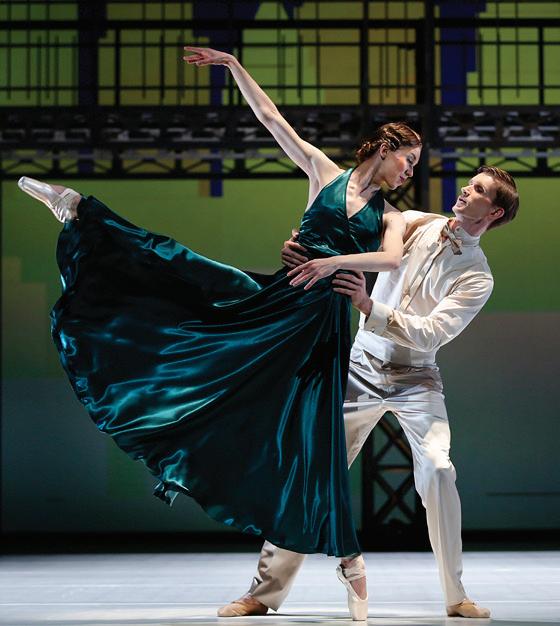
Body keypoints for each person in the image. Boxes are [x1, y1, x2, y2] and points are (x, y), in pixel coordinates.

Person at [17, 45, 422, 615]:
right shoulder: (324, 174)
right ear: (385, 148)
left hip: (320, 328)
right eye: (408, 158)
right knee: (194, 275)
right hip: (280, 302)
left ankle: (348, 563)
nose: (410, 170)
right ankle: (82, 211)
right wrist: (234, 66)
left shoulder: (392, 215)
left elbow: (391, 259)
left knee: (313, 442)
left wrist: (331, 263)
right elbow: (272, 120)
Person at [217, 165, 519, 620]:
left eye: (477, 189)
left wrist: (366, 304)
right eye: (469, 182)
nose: (465, 189)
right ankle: (262, 593)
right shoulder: (414, 222)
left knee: (439, 470)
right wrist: (303, 248)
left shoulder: (478, 276)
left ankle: (456, 596)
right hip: (360, 368)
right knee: (313, 470)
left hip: (416, 379)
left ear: (493, 212)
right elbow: (346, 234)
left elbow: (432, 332)